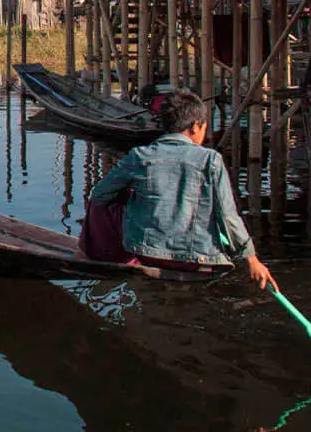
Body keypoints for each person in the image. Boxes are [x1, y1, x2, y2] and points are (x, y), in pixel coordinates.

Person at [85, 90, 277, 290]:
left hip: (146, 252)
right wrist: (252, 260)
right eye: (204, 128)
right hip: (198, 256)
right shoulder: (211, 160)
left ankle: (101, 253)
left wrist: (130, 199)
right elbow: (228, 216)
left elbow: (100, 194)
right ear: (195, 126)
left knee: (111, 201)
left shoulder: (139, 156)